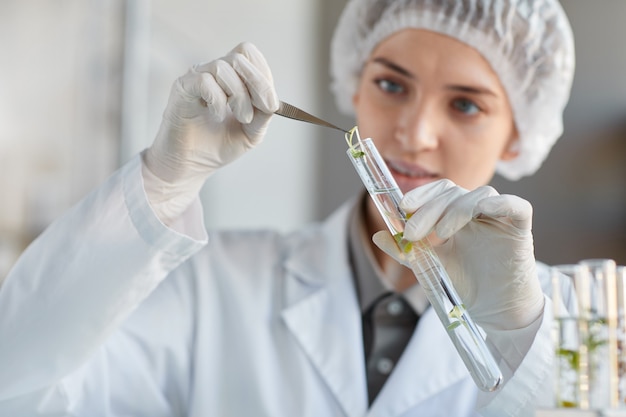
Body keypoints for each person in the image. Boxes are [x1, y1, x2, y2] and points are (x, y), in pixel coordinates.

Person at [0, 0, 575, 415]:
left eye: (467, 106)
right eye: (392, 86)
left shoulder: (573, 319)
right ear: (353, 89)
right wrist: (162, 183)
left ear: (518, 136)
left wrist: (516, 328)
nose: (415, 133)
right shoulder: (215, 284)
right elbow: (18, 383)